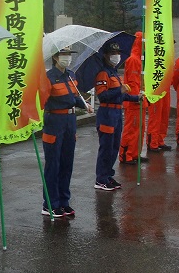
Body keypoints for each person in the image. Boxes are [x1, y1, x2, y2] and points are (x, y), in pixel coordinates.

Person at [41, 48, 94, 219]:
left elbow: (74, 96)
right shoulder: (47, 78)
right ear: (55, 57)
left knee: (66, 164)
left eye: (69, 54)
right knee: (53, 165)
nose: (67, 58)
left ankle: (64, 201)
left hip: (70, 123)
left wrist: (83, 104)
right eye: (64, 55)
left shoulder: (71, 75)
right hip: (54, 122)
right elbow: (41, 100)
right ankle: (50, 204)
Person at [94, 42, 142, 191]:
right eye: (113, 53)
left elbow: (121, 97)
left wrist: (135, 98)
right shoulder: (103, 74)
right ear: (106, 56)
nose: (116, 56)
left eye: (117, 53)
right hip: (106, 114)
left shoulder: (114, 73)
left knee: (114, 147)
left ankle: (108, 175)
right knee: (106, 148)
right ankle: (101, 179)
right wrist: (119, 90)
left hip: (116, 114)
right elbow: (102, 96)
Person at [119, 32, 149, 165]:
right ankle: (126, 155)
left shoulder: (140, 60)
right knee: (131, 129)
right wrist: (135, 97)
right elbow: (131, 83)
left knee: (140, 129)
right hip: (133, 102)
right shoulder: (133, 60)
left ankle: (135, 153)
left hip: (140, 101)